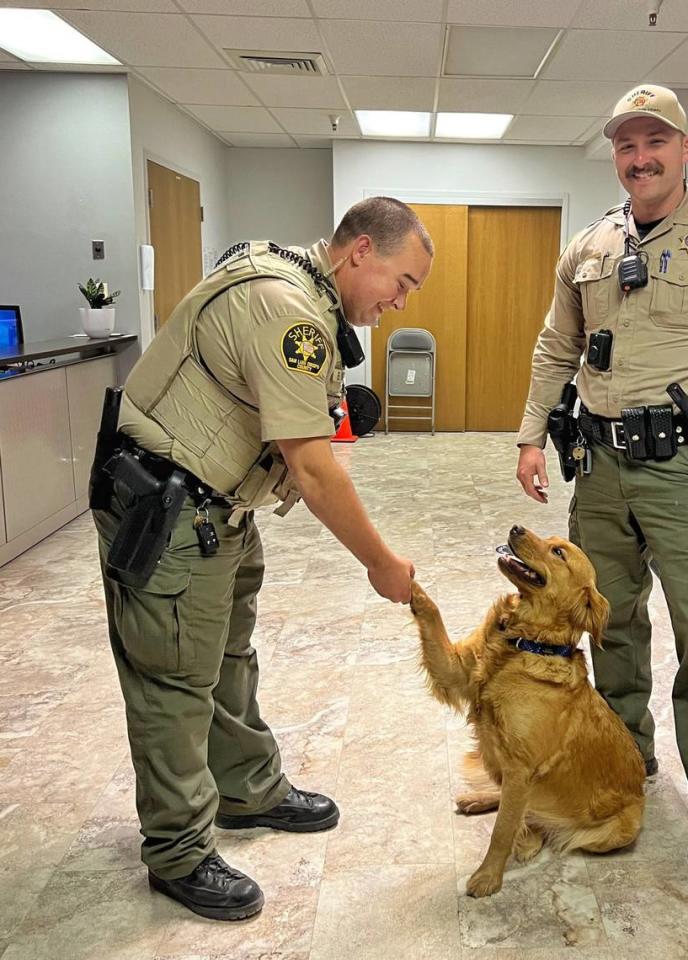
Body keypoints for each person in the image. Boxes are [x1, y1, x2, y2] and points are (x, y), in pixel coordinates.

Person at [92, 197, 433, 920]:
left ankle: (248, 790)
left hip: (220, 508)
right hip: (170, 514)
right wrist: (380, 562)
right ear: (360, 251)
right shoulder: (288, 312)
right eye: (402, 282)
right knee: (175, 681)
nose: (400, 302)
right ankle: (178, 852)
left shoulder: (300, 287)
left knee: (227, 660)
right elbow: (312, 466)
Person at [515, 85, 688, 872]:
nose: (639, 159)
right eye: (626, 145)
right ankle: (624, 757)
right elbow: (554, 348)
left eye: (655, 143)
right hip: (600, 468)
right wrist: (532, 436)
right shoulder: (590, 246)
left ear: (685, 149)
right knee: (610, 622)